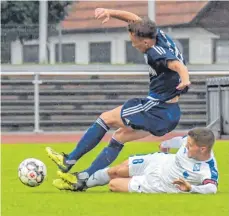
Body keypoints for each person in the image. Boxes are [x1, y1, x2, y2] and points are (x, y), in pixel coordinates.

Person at [46, 8, 191, 191]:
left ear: (145, 41)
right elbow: (134, 18)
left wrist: (185, 79)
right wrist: (109, 12)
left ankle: (68, 160)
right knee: (119, 137)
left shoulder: (156, 52)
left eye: (134, 42)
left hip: (156, 107)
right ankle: (82, 179)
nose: (133, 45)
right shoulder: (158, 35)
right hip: (170, 114)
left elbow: (177, 65)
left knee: (105, 118)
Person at [53, 128, 219, 194]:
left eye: (190, 146)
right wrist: (166, 144)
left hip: (159, 184)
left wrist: (192, 188)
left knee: (114, 184)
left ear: (202, 149)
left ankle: (82, 183)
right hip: (159, 161)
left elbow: (212, 188)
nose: (186, 147)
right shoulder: (189, 141)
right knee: (116, 170)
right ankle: (80, 184)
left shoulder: (208, 168)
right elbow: (180, 140)